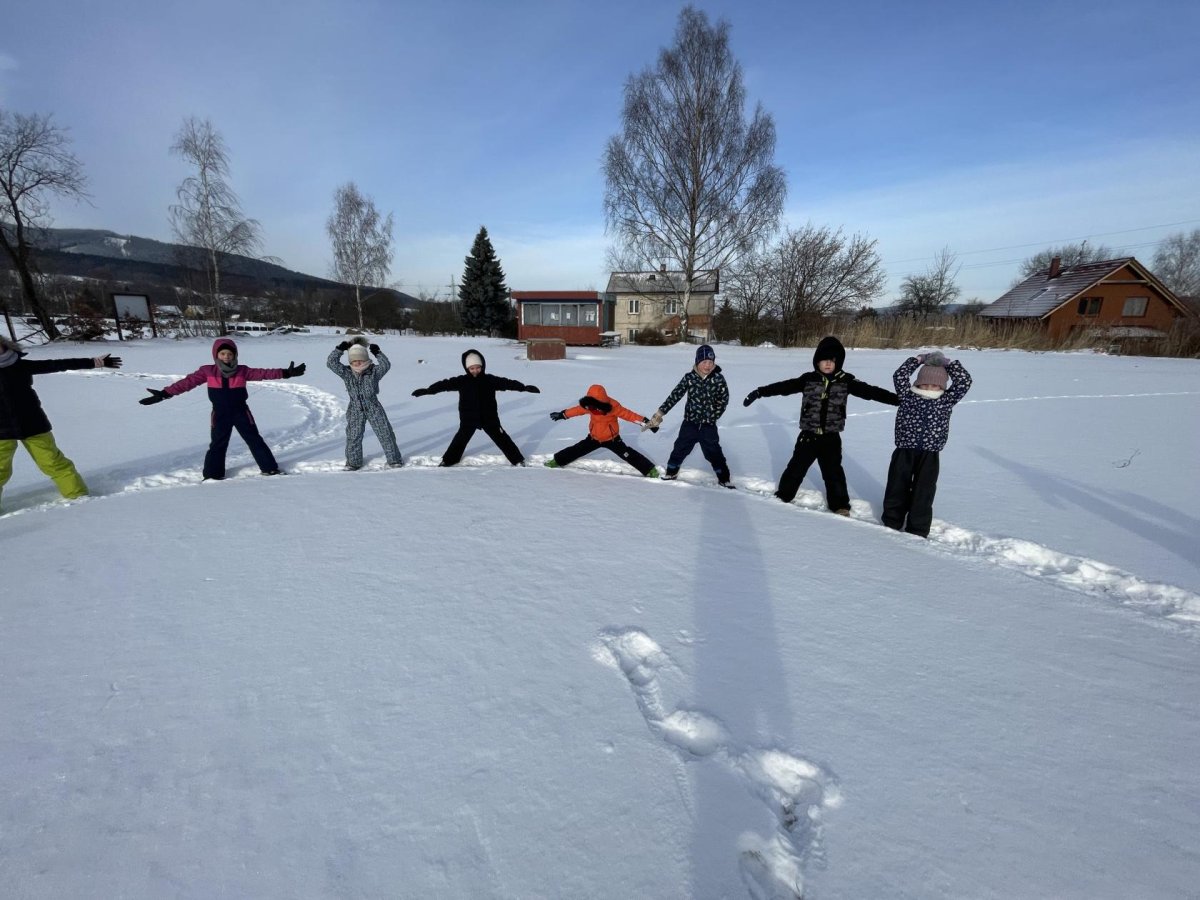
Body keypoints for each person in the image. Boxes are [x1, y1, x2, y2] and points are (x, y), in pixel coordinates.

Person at [743, 335, 897, 514]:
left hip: (831, 437)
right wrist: (760, 392)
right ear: (817, 361)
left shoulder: (846, 381)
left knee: (834, 473)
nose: (828, 363)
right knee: (796, 468)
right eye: (824, 359)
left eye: (833, 360)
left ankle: (840, 505)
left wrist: (898, 400)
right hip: (808, 436)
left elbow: (872, 392)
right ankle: (783, 496)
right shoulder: (808, 379)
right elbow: (784, 387)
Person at [138, 336, 305, 480]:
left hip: (241, 412)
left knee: (254, 439)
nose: (226, 357)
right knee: (218, 443)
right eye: (223, 353)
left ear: (235, 355)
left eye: (230, 354)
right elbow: (187, 383)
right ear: (216, 354)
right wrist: (165, 393)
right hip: (219, 414)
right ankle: (213, 475)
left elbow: (263, 373)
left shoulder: (242, 371)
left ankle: (269, 469)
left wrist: (286, 373)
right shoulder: (207, 371)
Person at [0, 335, 121, 511]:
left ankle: (78, 496)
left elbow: (56, 364)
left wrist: (94, 362)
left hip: (33, 424)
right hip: (1, 431)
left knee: (53, 462)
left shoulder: (20, 366)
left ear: (4, 346)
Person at [882, 350, 972, 538]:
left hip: (930, 454)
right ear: (918, 382)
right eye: (925, 383)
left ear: (942, 386)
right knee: (897, 486)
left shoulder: (946, 400)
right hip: (904, 450)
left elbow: (964, 381)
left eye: (935, 385)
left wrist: (949, 365)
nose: (929, 387)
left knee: (924, 491)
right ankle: (892, 520)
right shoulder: (907, 396)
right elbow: (899, 376)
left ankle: (918, 528)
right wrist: (918, 360)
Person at [410, 349, 539, 466]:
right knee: (460, 439)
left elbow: (506, 383)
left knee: (502, 438)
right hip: (468, 417)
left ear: (482, 366)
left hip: (489, 417)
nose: (475, 370)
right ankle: (449, 460)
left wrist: (523, 387)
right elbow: (445, 384)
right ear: (467, 368)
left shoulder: (490, 380)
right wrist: (429, 390)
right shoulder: (462, 381)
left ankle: (517, 460)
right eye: (472, 368)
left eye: (478, 367)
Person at [644, 343, 733, 486]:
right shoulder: (689, 378)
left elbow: (724, 399)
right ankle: (671, 472)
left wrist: (714, 415)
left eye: (710, 362)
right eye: (704, 362)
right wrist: (660, 413)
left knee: (714, 452)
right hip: (690, 423)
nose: (708, 365)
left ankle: (724, 479)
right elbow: (675, 395)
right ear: (697, 362)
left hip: (708, 425)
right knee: (680, 448)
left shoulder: (718, 379)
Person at [545, 384, 660, 477]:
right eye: (591, 407)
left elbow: (629, 415)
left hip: (613, 439)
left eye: (597, 407)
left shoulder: (614, 407)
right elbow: (577, 410)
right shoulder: (589, 406)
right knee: (577, 450)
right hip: (594, 438)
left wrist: (647, 423)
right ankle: (557, 460)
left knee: (628, 454)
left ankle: (649, 469)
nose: (593, 410)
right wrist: (563, 414)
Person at [327, 337, 403, 470]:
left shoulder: (374, 372)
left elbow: (386, 365)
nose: (357, 362)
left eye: (360, 359)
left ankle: (394, 460)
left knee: (385, 433)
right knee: (353, 436)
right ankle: (353, 463)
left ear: (366, 359)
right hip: (355, 409)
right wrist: (339, 350)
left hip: (374, 407)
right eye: (354, 360)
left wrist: (378, 353)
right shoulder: (347, 373)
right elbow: (331, 363)